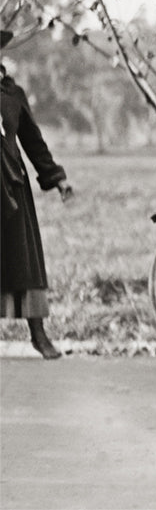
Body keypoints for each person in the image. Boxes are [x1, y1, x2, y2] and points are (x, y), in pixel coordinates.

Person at [1, 30, 74, 359]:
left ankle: (38, 334)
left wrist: (56, 177)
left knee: (23, 261)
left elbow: (32, 140)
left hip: (11, 184)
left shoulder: (12, 92)